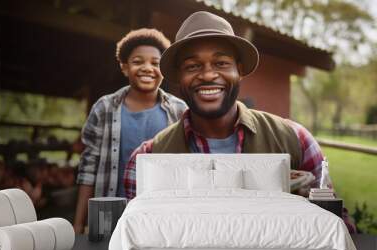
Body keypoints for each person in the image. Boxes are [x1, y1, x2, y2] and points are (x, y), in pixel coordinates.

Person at [123, 12, 356, 233]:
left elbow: (340, 230)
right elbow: (137, 238)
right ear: (178, 78)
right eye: (192, 66)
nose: (207, 75)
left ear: (240, 70)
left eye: (221, 63)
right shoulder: (146, 158)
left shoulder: (296, 140)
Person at [73, 28, 187, 233]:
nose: (147, 68)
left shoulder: (180, 111)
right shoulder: (104, 108)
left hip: (161, 219)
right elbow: (88, 168)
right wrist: (78, 224)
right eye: (137, 61)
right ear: (125, 67)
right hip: (108, 219)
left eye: (155, 63)